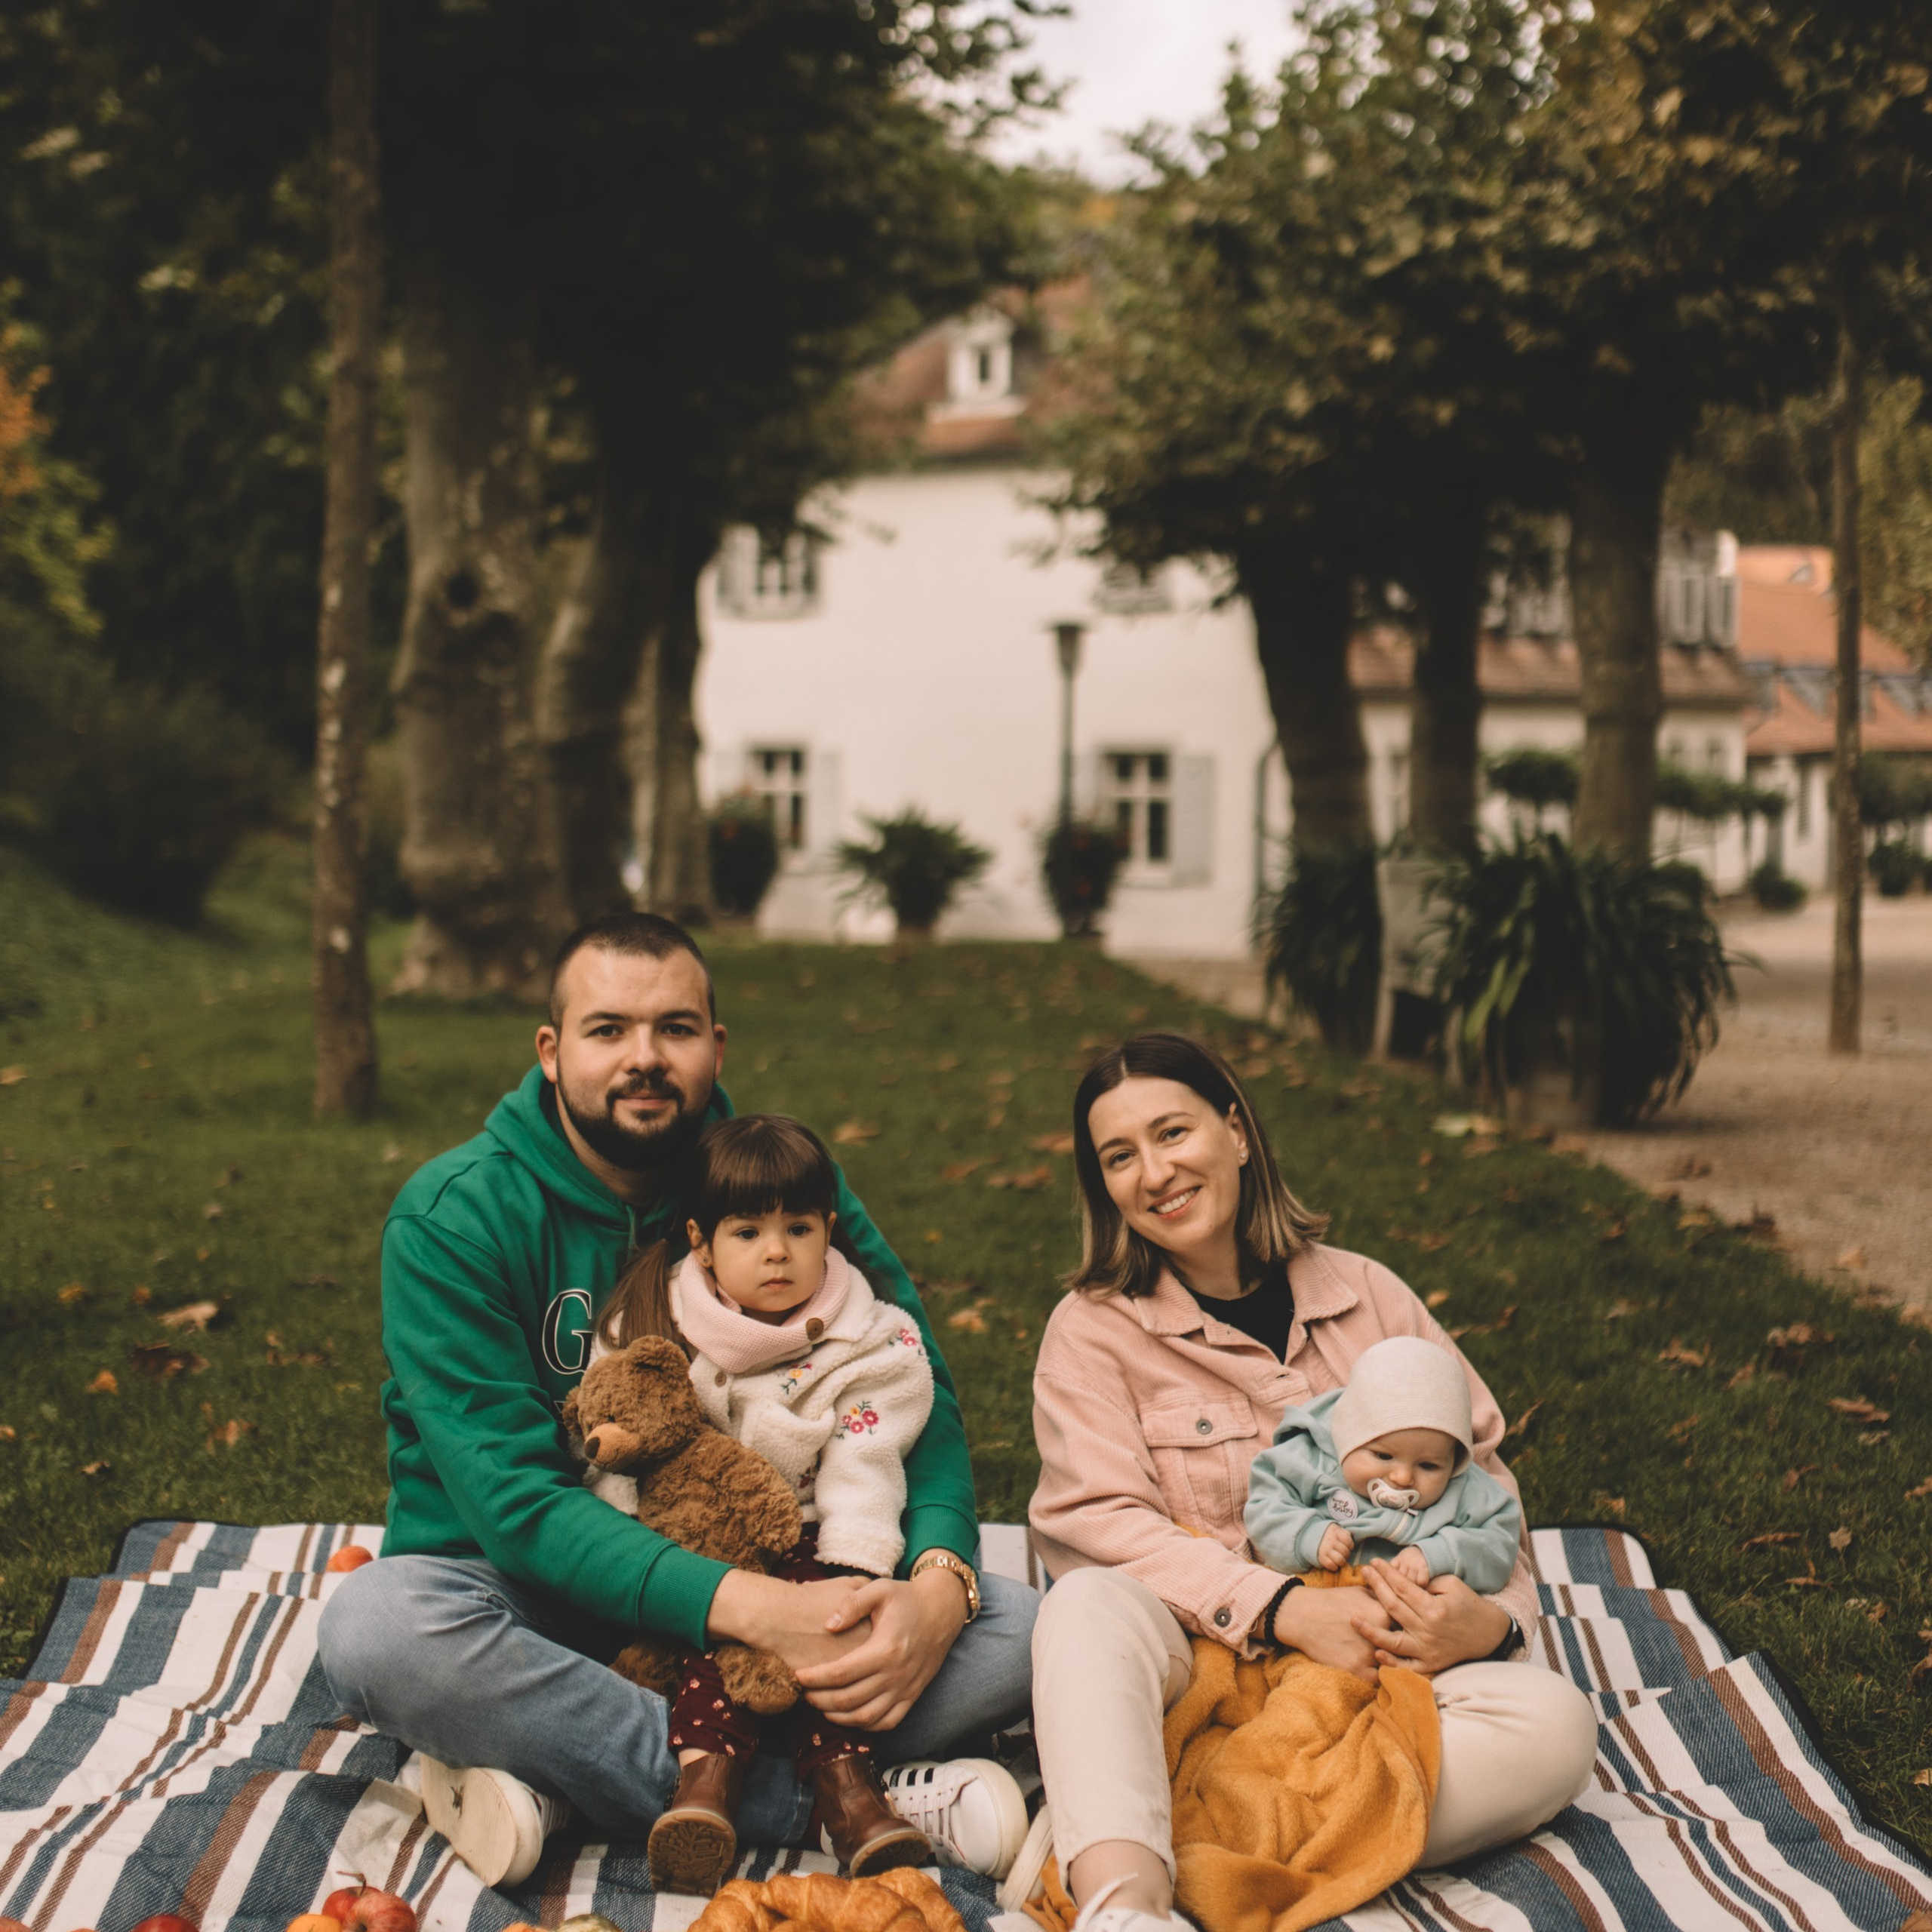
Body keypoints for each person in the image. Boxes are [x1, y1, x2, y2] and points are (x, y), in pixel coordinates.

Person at [317, 912, 1036, 1889]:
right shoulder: (454, 1217)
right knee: (377, 1631)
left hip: (791, 1558)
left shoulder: (776, 1181)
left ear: (717, 1043)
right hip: (536, 1602)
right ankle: (830, 1795)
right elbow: (519, 1509)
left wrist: (940, 1588)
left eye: (677, 1029)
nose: (644, 1058)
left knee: (1029, 1630)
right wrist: (757, 1614)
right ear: (552, 1048)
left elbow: (918, 1383)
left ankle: (568, 1773)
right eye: (608, 1029)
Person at [1017, 1032, 1598, 1932]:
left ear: (1238, 1133)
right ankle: (1126, 1907)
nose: (1154, 1172)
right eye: (1119, 1156)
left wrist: (1490, 1621)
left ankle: (1159, 1833)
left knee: (1556, 1726)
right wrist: (1282, 1606)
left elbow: (1483, 1480)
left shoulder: (1369, 1297)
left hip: (1375, 1670)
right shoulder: (1091, 1331)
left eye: (1173, 1132)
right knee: (1084, 1607)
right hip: (1195, 1658)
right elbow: (1095, 1523)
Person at [581, 1112, 1025, 1892]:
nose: (777, 1251)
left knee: (968, 1632)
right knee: (716, 1647)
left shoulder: (869, 1339)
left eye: (798, 1227)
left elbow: (869, 1455)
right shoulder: (654, 1319)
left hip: (822, 1544)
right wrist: (634, 1545)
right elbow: (620, 1433)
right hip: (697, 1564)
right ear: (701, 1242)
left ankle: (840, 1793)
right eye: (746, 1232)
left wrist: (850, 1573)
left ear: (831, 1232)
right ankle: (716, 1788)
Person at [1242, 1335, 1522, 1591]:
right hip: (1315, 1601)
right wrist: (1307, 1535)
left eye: (1428, 1466)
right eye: (1383, 1456)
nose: (1402, 1478)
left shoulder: (1463, 1489)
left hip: (1405, 1618)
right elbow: (1265, 1504)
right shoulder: (1310, 1459)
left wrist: (1440, 1554)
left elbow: (1500, 1544)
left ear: (1454, 1461)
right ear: (1347, 1437)